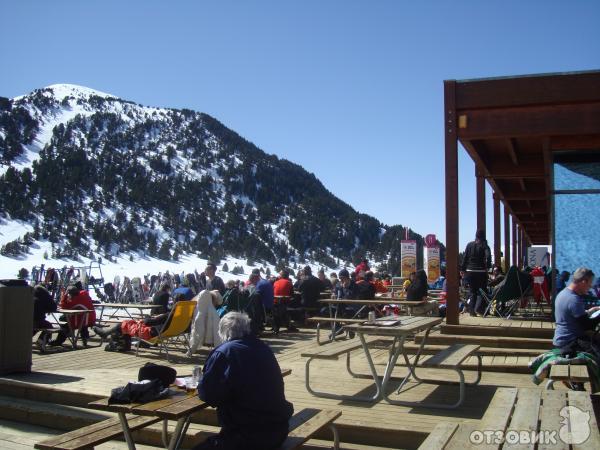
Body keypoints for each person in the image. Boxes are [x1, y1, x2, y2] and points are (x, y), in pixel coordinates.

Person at [194, 312, 293, 450]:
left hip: (248, 436)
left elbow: (210, 396)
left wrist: (200, 385)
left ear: (223, 332)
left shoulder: (224, 352)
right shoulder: (262, 347)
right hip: (278, 429)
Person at [553, 267, 600, 356]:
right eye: (589, 285)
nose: (590, 288)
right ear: (583, 282)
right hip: (570, 341)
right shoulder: (574, 299)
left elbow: (573, 316)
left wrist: (591, 311)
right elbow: (587, 326)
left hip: (562, 338)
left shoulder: (564, 293)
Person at [460, 229, 492, 316]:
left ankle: (471, 312)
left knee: (472, 291)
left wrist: (462, 269)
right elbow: (488, 256)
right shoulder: (484, 245)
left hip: (469, 271)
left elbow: (465, 257)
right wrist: (488, 267)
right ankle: (479, 308)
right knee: (482, 290)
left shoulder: (469, 245)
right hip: (480, 271)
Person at [188, 290, 223, 356]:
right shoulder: (213, 313)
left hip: (200, 338)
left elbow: (199, 333)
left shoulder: (199, 311)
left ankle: (192, 349)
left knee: (198, 332)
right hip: (215, 345)